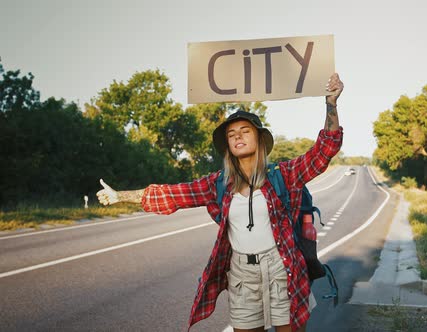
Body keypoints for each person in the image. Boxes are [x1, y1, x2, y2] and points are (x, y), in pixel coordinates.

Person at [96, 73, 344, 332]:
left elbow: (325, 149)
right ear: (227, 145)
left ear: (259, 139)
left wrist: (331, 104)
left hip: (282, 269)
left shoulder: (285, 175)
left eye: (245, 131)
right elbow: (172, 194)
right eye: (232, 134)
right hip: (242, 275)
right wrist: (119, 196)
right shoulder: (217, 184)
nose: (238, 136)